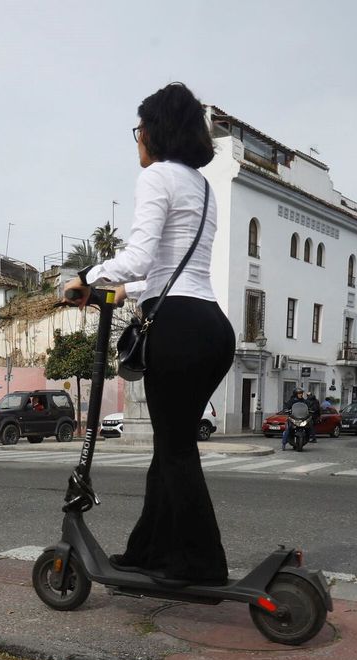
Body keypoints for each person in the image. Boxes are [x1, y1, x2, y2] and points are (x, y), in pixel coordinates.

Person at [65, 82, 232, 584]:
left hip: (177, 327)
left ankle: (203, 564)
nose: (136, 138)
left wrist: (86, 277)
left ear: (155, 131)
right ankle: (148, 552)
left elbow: (138, 257)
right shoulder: (202, 188)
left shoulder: (157, 175)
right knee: (170, 447)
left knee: (176, 451)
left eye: (139, 128)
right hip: (211, 327)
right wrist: (114, 287)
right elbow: (165, 268)